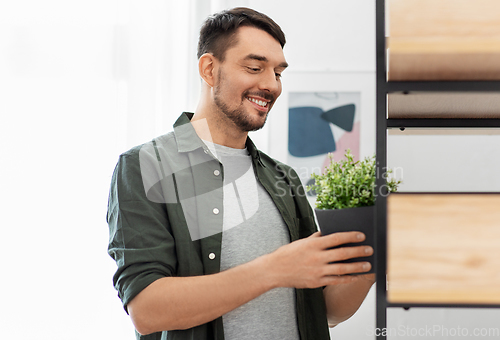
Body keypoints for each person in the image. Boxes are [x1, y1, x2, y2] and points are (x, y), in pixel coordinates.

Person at [107, 7, 375, 340]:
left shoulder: (284, 179)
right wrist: (275, 270)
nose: (271, 85)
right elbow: (147, 311)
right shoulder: (145, 166)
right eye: (254, 67)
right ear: (209, 69)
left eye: (278, 72)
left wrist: (372, 262)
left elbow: (328, 311)